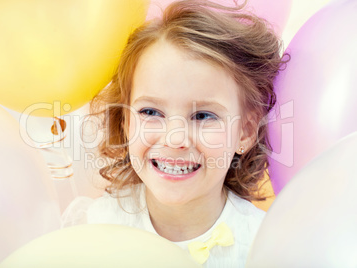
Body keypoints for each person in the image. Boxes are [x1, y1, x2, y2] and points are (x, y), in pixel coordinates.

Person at [62, 0, 288, 267]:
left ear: (245, 131)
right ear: (125, 122)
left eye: (203, 116)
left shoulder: (264, 246)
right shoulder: (98, 226)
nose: (174, 139)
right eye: (150, 112)